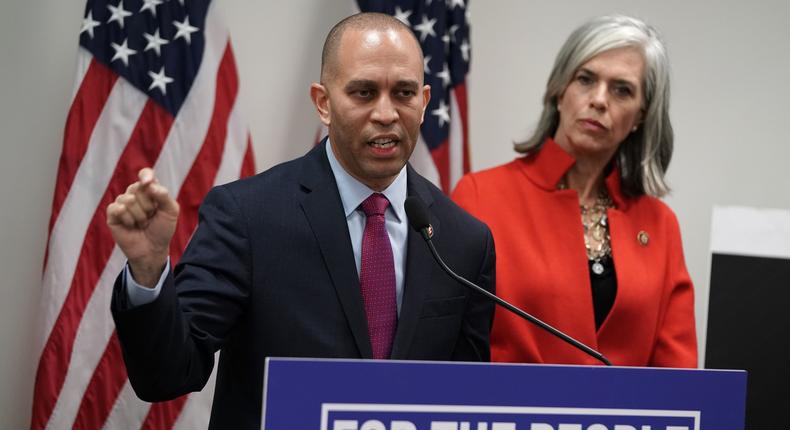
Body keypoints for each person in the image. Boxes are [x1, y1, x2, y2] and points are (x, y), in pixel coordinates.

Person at [107, 12, 495, 428]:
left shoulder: (464, 241)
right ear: (323, 103)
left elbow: (462, 401)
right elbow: (168, 375)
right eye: (364, 92)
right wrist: (148, 272)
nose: (386, 113)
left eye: (403, 93)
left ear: (424, 102)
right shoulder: (247, 217)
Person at [452, 15, 696, 367]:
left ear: (640, 116)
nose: (599, 100)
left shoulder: (660, 225)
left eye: (621, 90)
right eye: (586, 79)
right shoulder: (480, 195)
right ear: (559, 89)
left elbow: (678, 378)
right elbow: (452, 348)